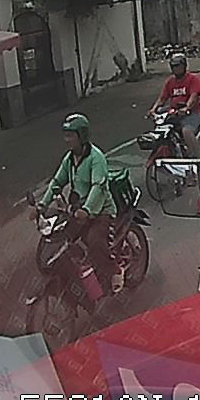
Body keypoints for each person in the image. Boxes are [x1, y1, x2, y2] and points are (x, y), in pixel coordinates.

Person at [34, 114, 123, 293]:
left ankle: (115, 271)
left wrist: (87, 209)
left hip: (100, 212)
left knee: (95, 243)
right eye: (65, 135)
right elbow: (57, 182)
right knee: (64, 239)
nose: (67, 140)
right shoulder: (69, 159)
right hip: (77, 211)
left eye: (71, 136)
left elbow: (98, 187)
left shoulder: (96, 158)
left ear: (82, 136)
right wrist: (42, 204)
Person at [148, 53, 200, 159]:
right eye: (173, 66)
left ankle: (198, 158)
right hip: (175, 113)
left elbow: (194, 96)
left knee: (186, 131)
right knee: (162, 129)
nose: (175, 69)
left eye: (178, 66)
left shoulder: (193, 79)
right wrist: (153, 109)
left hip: (192, 113)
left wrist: (187, 107)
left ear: (184, 66)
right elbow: (162, 98)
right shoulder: (170, 82)